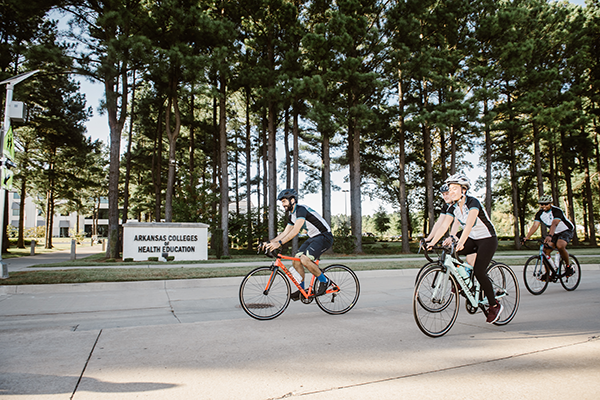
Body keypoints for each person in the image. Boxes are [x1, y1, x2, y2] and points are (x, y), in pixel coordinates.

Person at [425, 173, 503, 324]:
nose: (451, 191)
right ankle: (463, 283)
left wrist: (461, 240)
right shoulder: (453, 207)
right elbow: (443, 226)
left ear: (464, 190)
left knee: (480, 271)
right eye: (450, 188)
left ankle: (494, 305)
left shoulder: (473, 202)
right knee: (449, 253)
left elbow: (469, 224)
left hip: (487, 239)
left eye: (455, 188)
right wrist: (431, 242)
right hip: (473, 239)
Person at [264, 189, 334, 300]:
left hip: (324, 236)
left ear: (292, 200)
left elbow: (295, 231)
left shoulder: (301, 210)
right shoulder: (292, 215)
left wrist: (280, 243)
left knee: (305, 259)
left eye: (284, 201)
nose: (283, 205)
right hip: (313, 237)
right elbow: (285, 232)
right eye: (282, 202)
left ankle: (325, 281)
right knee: (296, 260)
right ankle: (302, 290)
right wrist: (270, 242)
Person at [521, 195, 575, 277]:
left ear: (550, 203)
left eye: (546, 204)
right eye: (542, 204)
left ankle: (568, 267)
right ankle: (549, 272)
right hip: (554, 233)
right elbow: (535, 226)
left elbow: (554, 224)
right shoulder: (540, 214)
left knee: (560, 246)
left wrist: (550, 235)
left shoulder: (557, 211)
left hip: (566, 230)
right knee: (545, 250)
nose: (544, 206)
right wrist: (527, 237)